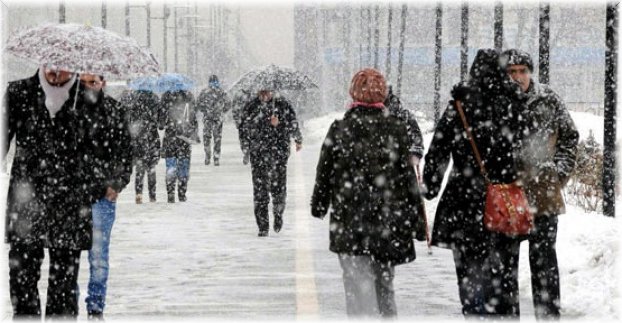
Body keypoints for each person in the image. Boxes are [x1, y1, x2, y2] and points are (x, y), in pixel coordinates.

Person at [311, 68, 422, 318]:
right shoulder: (396, 128)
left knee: (356, 288)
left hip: (350, 222)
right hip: (387, 222)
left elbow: (324, 172)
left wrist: (319, 205)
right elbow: (408, 180)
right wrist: (415, 220)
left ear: (353, 94)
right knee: (384, 286)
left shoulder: (340, 129)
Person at [422, 49, 526, 317]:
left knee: (469, 265)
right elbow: (527, 148)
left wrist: (431, 186)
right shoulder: (514, 101)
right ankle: (505, 312)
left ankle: (475, 311)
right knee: (505, 267)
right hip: (505, 199)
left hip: (464, 198)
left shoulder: (459, 104)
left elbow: (439, 148)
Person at [489, 49, 579, 319]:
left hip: (543, 194)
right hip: (507, 193)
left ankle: (548, 316)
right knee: (505, 266)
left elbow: (569, 137)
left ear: (530, 72)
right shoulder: (496, 101)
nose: (518, 77)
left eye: (522, 71)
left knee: (544, 264)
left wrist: (558, 174)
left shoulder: (548, 99)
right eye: (512, 72)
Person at [3, 67, 99, 318]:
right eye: (51, 63)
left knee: (64, 290)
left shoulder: (88, 97)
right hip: (25, 204)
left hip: (70, 206)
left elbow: (102, 151)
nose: (56, 70)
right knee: (22, 285)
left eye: (64, 64)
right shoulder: (18, 92)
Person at [77, 73, 133, 319]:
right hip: (72, 193)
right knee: (66, 256)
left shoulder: (115, 111)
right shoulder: (67, 109)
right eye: (83, 82)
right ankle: (68, 302)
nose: (88, 87)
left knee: (98, 256)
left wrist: (116, 184)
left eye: (93, 81)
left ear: (103, 83)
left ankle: (96, 304)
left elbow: (125, 151)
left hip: (102, 195)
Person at [239, 89, 302, 236]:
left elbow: (292, 123)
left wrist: (292, 134)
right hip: (258, 154)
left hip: (279, 153)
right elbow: (243, 128)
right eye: (261, 92)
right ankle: (262, 226)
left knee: (279, 188)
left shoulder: (282, 104)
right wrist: (246, 147)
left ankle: (278, 214)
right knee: (260, 191)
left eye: (267, 92)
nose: (264, 96)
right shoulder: (251, 106)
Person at [158, 89, 198, 203]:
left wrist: (164, 122)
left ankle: (170, 193)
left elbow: (160, 125)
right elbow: (193, 119)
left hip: (170, 138)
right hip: (184, 139)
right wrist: (194, 133)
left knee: (171, 167)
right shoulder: (188, 96)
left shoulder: (166, 96)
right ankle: (182, 193)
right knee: (184, 166)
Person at [126, 89, 161, 203]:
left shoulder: (134, 98)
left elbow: (129, 118)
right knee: (151, 168)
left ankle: (139, 194)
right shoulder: (154, 99)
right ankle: (152, 195)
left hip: (138, 136)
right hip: (151, 135)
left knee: (140, 169)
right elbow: (159, 120)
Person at [384, 85, 424, 166]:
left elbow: (416, 135)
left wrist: (416, 151)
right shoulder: (404, 114)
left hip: (400, 161)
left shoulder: (404, 115)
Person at [196, 75, 230, 166]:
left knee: (207, 137)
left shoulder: (204, 92)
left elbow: (198, 103)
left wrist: (204, 110)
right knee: (217, 138)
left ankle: (207, 156)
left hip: (207, 118)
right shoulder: (221, 92)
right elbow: (228, 103)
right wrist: (222, 111)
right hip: (218, 118)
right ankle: (216, 158)